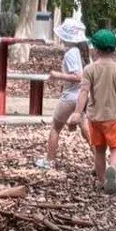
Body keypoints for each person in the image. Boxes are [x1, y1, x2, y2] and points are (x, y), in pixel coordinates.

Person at [73, 28, 116, 194]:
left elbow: (83, 92)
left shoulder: (89, 69)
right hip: (113, 117)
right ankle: (113, 171)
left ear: (95, 49)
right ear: (114, 48)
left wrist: (78, 112)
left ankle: (103, 181)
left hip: (94, 118)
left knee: (99, 151)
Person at [34, 19, 88, 169]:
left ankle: (49, 160)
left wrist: (57, 75)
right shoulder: (79, 52)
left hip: (71, 96)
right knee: (86, 128)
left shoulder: (71, 53)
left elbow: (78, 77)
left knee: (55, 128)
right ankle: (100, 159)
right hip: (82, 96)